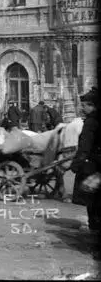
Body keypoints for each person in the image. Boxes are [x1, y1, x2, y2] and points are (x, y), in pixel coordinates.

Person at [70, 88, 101, 234]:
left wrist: (75, 165)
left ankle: (94, 229)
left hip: (92, 166)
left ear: (92, 105)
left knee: (92, 200)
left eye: (84, 105)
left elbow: (84, 147)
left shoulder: (90, 122)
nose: (82, 108)